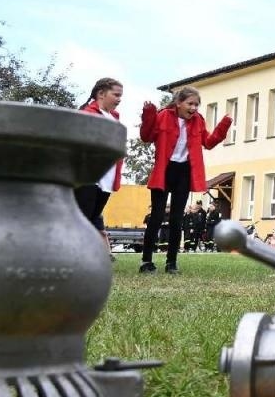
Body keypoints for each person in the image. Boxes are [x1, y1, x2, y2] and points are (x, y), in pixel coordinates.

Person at [139, 86, 232, 274]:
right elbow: (146, 136)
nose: (194, 108)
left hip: (183, 172)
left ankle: (171, 262)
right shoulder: (163, 116)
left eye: (196, 104)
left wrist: (224, 125)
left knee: (177, 218)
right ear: (179, 103)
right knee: (157, 216)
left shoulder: (198, 121)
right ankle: (146, 261)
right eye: (190, 104)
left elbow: (209, 142)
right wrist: (148, 114)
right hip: (164, 170)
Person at [75, 78, 124, 243]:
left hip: (107, 178)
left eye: (120, 96)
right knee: (83, 220)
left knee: (93, 219)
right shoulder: (87, 114)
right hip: (89, 178)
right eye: (116, 95)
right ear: (101, 94)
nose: (119, 99)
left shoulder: (114, 117)